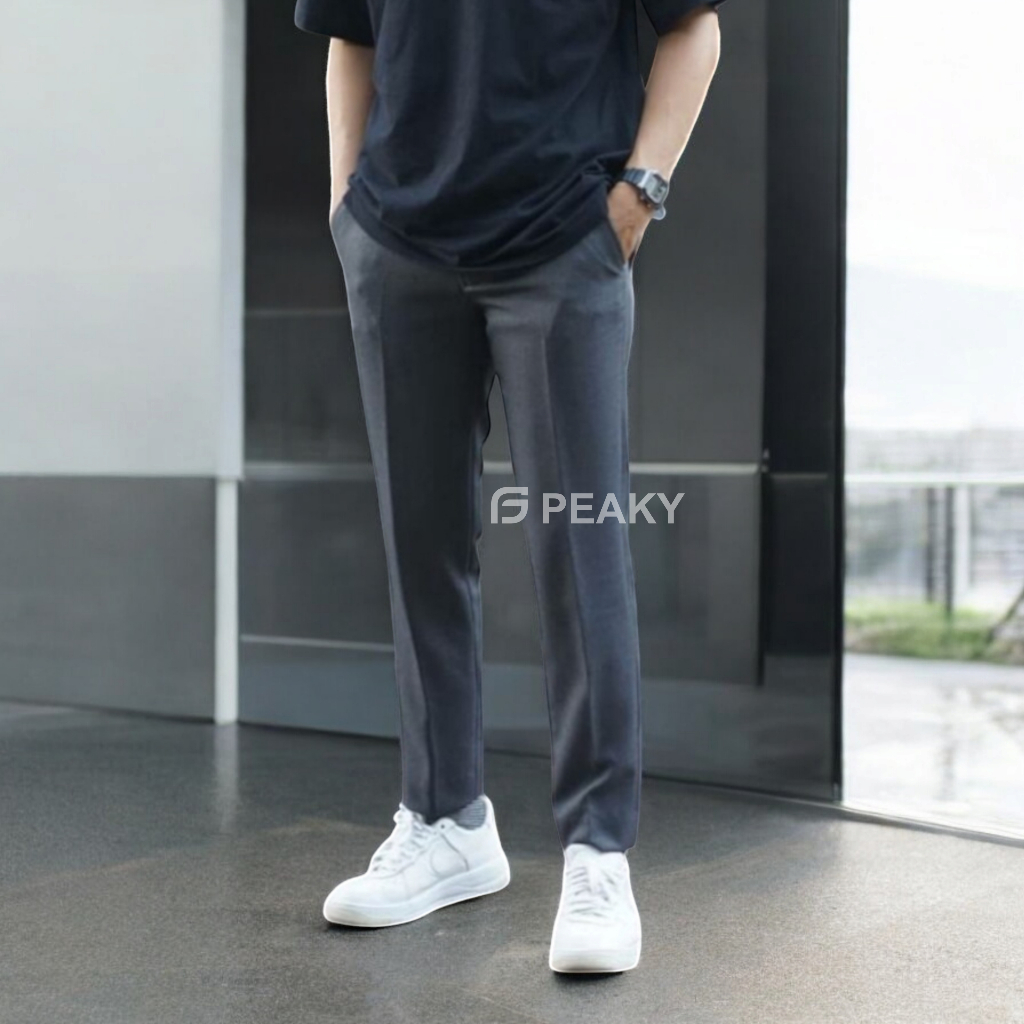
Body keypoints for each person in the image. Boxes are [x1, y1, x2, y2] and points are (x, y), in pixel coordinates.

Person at [294, 0, 723, 974]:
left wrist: (640, 190)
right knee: (422, 546)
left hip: (561, 241)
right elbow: (351, 38)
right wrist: (345, 203)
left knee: (580, 548)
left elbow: (694, 26)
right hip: (397, 245)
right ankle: (445, 821)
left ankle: (598, 851)